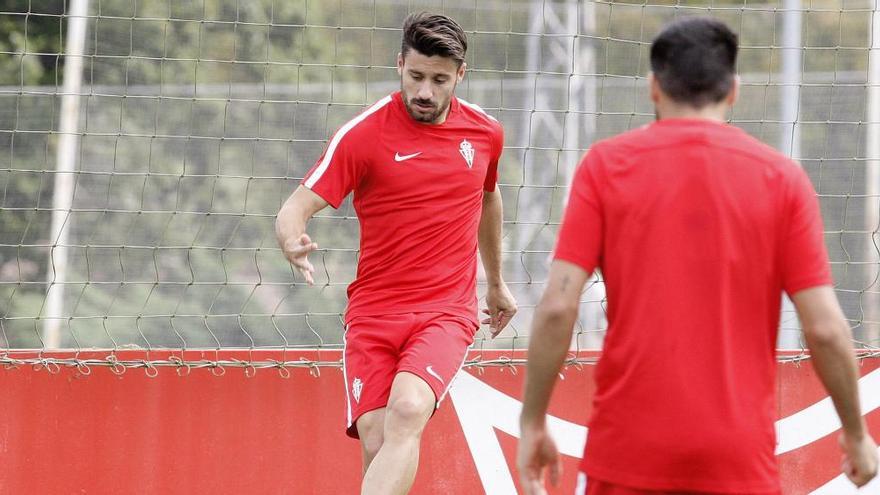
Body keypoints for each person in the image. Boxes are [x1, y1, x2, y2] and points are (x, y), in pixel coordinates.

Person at [517, 16, 878, 495]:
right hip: (737, 462)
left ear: (653, 87)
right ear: (733, 90)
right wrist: (856, 434)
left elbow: (559, 306)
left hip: (625, 455)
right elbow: (827, 329)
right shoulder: (781, 180)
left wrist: (532, 422)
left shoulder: (605, 167)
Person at [275, 12, 516, 495]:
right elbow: (295, 207)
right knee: (378, 436)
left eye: (439, 80)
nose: (425, 91)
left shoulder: (486, 134)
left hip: (445, 311)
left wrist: (495, 281)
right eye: (416, 76)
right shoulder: (363, 135)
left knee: (408, 410)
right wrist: (291, 238)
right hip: (373, 313)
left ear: (460, 76)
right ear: (399, 64)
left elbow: (487, 198)